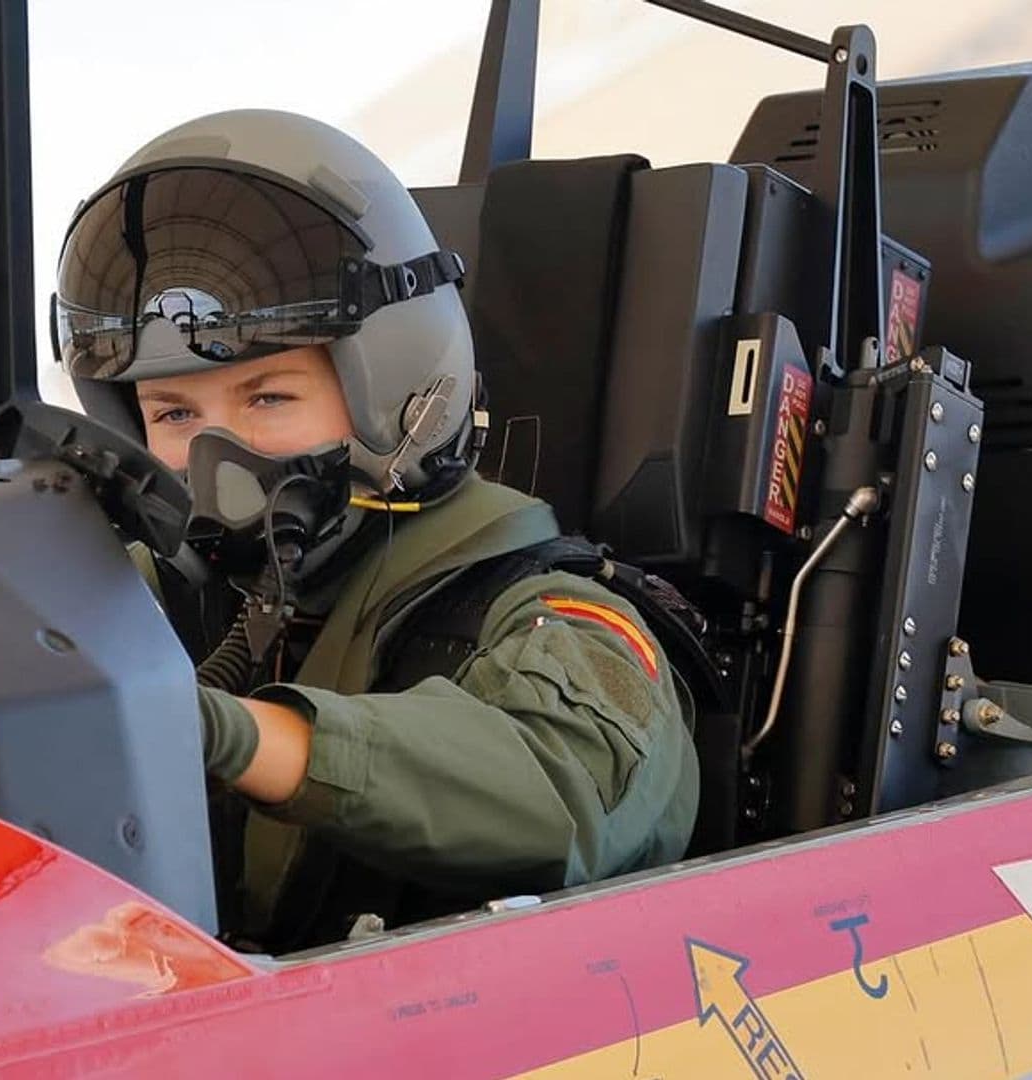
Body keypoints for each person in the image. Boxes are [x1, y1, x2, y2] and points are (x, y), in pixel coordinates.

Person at [51, 109, 698, 952]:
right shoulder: (136, 596)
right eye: (174, 412)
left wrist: (226, 730)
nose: (214, 451)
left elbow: (570, 790)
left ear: (394, 391)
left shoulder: (545, 610)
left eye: (268, 396)